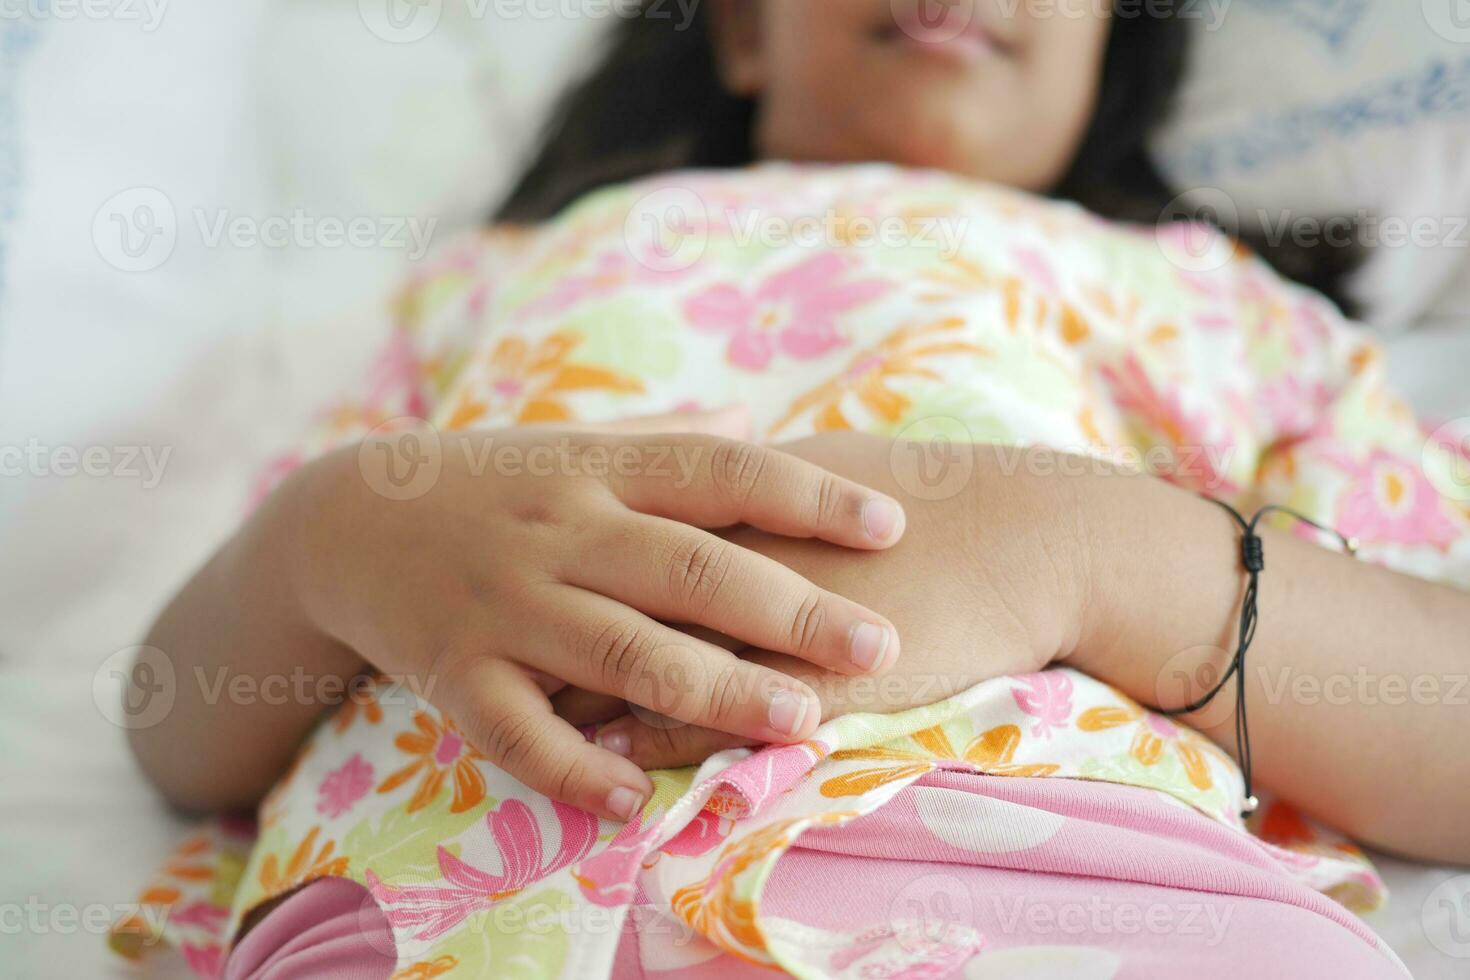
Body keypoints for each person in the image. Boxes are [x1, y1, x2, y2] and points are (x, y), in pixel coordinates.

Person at [122, 3, 1467, 977]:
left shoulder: (1220, 302)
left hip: (1076, 876)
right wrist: (332, 536)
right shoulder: (503, 273)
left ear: (1108, 50)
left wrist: (1089, 555)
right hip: (447, 902)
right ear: (743, 36)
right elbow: (178, 726)